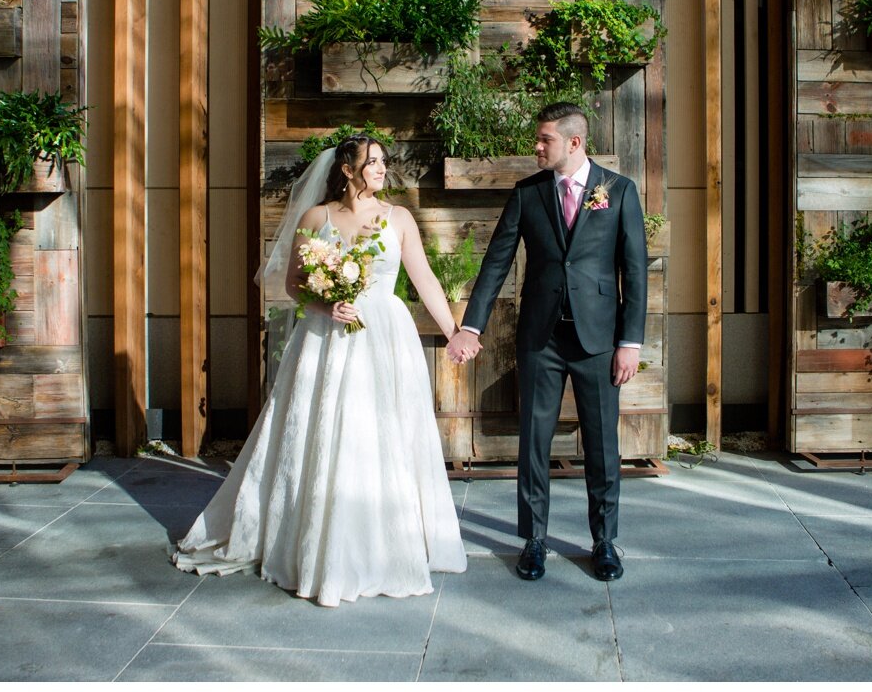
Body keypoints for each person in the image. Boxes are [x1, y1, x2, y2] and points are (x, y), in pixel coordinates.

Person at [172, 134, 467, 607]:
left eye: (384, 162)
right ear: (347, 169)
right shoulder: (317, 218)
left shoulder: (399, 218)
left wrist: (455, 331)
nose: (381, 169)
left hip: (384, 337)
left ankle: (389, 539)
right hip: (326, 338)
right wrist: (327, 302)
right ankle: (316, 540)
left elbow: (424, 278)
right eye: (372, 162)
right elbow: (292, 284)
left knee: (384, 432)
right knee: (328, 429)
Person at [446, 102, 646, 583]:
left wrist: (630, 342)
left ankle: (604, 541)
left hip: (598, 339)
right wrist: (471, 325)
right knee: (534, 442)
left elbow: (634, 271)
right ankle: (533, 540)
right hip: (540, 337)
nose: (536, 147)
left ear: (574, 142)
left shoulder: (618, 192)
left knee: (601, 443)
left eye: (544, 140)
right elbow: (496, 262)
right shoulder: (527, 193)